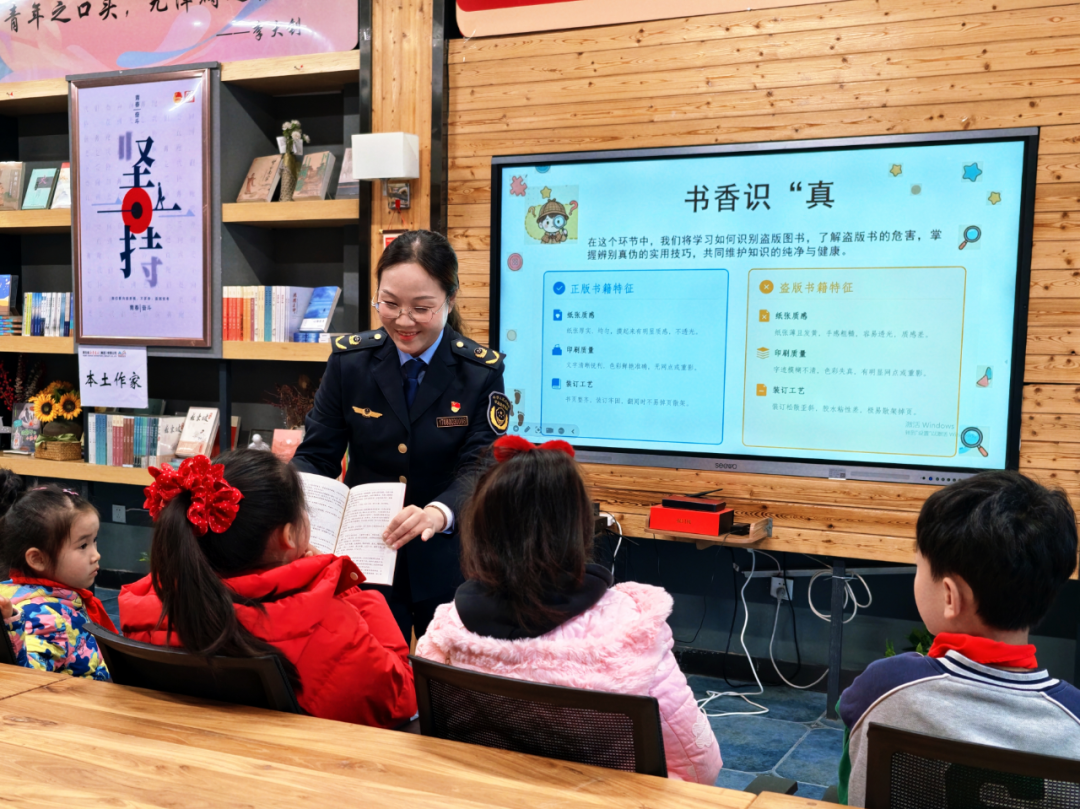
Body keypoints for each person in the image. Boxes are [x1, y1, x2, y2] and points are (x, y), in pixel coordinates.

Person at [415, 435, 723, 784]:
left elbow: (438, 744)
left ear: (480, 529)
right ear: (579, 526)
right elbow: (701, 766)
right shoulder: (632, 628)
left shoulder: (448, 627)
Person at [292, 229, 507, 641]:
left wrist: (438, 513)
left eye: (421, 308)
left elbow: (481, 469)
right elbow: (317, 455)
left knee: (446, 672)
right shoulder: (350, 363)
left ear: (450, 300)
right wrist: (294, 503)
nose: (403, 321)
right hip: (364, 561)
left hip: (448, 562)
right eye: (389, 304)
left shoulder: (480, 372)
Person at [120, 451, 416, 729]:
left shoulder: (146, 604)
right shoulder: (334, 627)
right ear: (289, 536)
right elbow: (401, 696)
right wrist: (346, 591)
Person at [837, 471, 1080, 806]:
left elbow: (849, 784)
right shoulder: (1073, 718)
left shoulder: (882, 687)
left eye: (919, 566)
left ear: (950, 596)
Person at [0, 471, 112, 681]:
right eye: (83, 545)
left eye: (94, 541)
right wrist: (12, 627)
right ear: (38, 559)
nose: (95, 555)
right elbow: (27, 678)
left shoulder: (16, 589)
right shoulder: (47, 618)